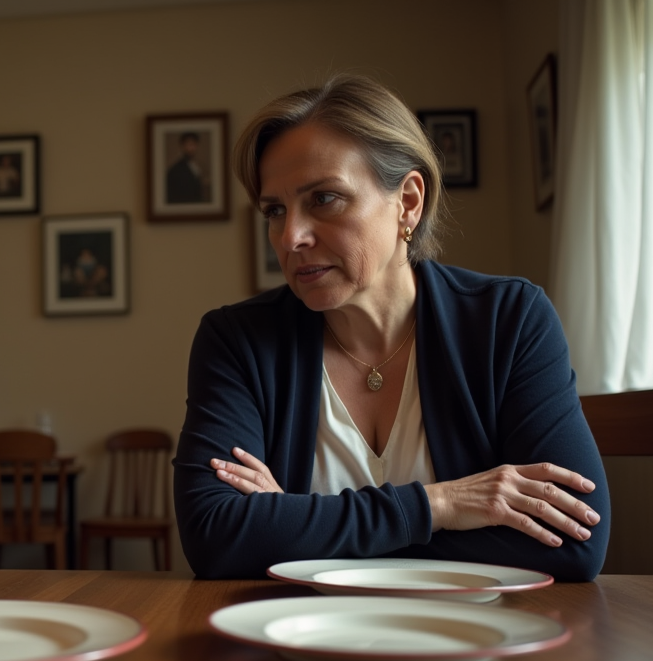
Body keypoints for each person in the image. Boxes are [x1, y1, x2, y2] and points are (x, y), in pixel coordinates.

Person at [173, 75, 610, 581]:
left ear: (408, 202)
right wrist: (439, 506)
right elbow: (214, 536)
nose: (290, 236)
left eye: (324, 199)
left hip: (477, 642)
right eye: (275, 210)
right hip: (295, 639)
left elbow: (575, 543)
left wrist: (296, 525)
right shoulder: (235, 342)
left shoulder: (509, 321)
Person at [166, 131, 206, 204]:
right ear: (182, 146)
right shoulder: (175, 170)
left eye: (194, 144)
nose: (191, 148)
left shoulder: (197, 165)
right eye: (189, 145)